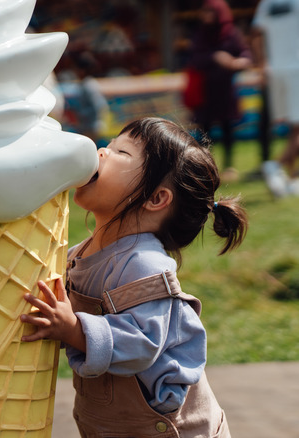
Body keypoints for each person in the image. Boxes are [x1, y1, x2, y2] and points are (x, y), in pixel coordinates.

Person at [20, 117, 246, 436]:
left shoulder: (145, 263)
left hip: (173, 430)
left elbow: (143, 342)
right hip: (112, 425)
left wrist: (72, 328)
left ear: (156, 199)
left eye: (120, 153)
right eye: (108, 145)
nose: (101, 152)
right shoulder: (77, 255)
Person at [188, 0, 252, 182]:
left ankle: (229, 166)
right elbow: (195, 59)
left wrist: (240, 62)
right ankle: (204, 169)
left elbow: (246, 54)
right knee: (205, 130)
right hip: (206, 92)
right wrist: (215, 57)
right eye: (204, 10)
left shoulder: (231, 34)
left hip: (225, 91)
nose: (206, 14)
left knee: (227, 128)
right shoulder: (201, 34)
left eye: (210, 11)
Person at [252, 0, 299, 197]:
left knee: (294, 128)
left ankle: (292, 179)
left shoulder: (266, 3)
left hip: (276, 71)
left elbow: (256, 34)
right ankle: (274, 165)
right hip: (295, 68)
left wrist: (262, 65)